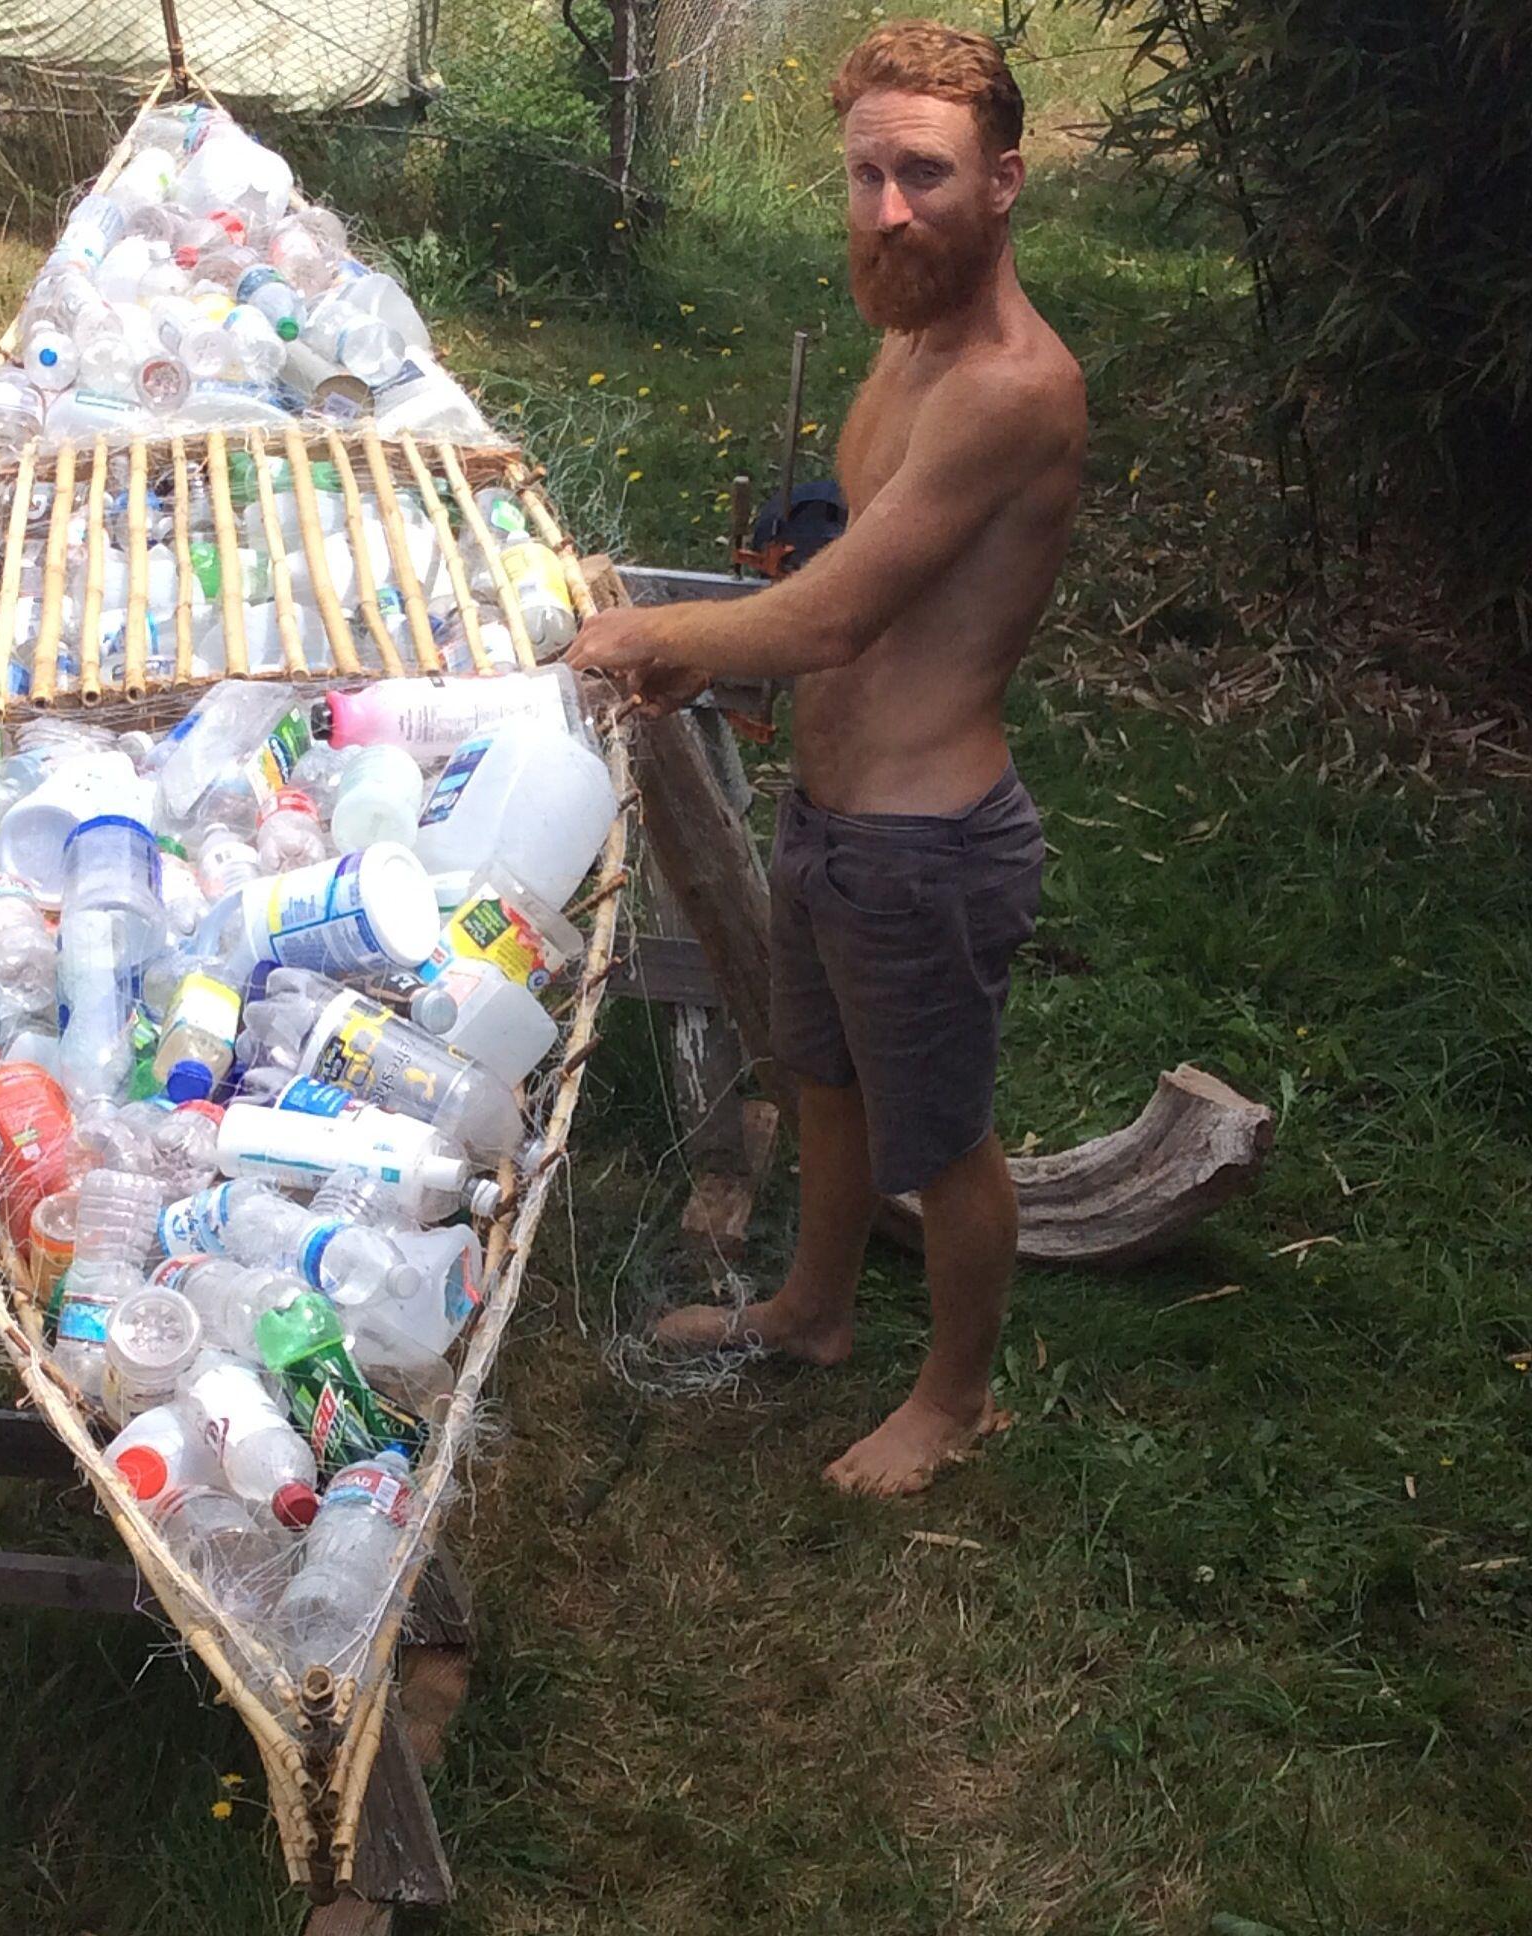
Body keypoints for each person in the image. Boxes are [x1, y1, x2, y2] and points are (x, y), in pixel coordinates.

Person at [564, 19, 1088, 1499]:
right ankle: (814, 1308)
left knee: (947, 1143)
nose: (888, 211)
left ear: (1005, 181)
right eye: (865, 177)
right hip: (835, 816)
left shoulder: (1009, 386)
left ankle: (957, 1398)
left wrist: (659, 633)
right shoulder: (909, 339)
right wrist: (720, 653)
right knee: (827, 1083)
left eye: (925, 174)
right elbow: (854, 567)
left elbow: (839, 615)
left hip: (924, 843)